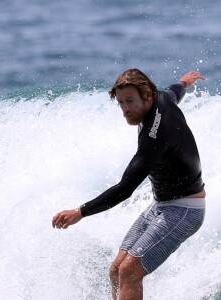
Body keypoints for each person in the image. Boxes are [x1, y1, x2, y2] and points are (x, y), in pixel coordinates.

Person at [52, 69, 206, 300]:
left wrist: (80, 212)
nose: (125, 109)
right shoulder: (161, 97)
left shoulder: (155, 134)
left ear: (147, 95)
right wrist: (185, 81)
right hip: (162, 206)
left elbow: (125, 189)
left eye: (130, 101)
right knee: (116, 270)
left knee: (129, 271)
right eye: (121, 102)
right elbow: (174, 92)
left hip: (185, 210)